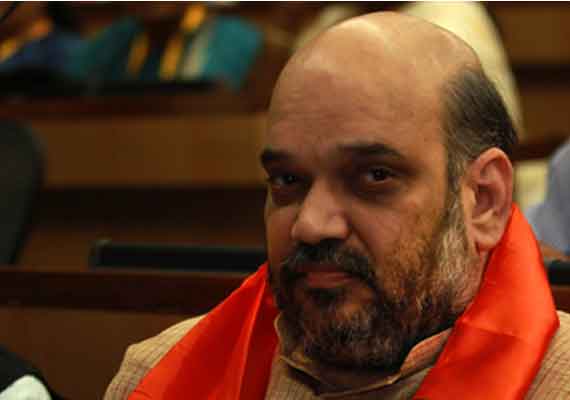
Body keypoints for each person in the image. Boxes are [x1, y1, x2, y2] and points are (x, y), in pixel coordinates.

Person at [105, 11, 570, 400]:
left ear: (484, 201)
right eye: (288, 181)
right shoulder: (156, 375)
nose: (310, 225)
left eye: (374, 177)